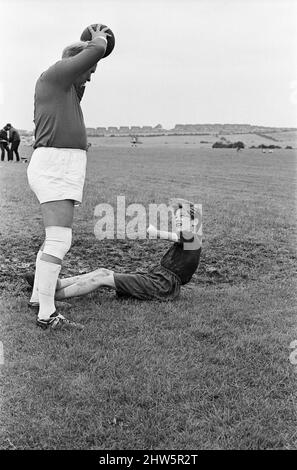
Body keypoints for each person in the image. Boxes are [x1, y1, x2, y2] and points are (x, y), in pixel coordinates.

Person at [26, 24, 112, 330]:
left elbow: (86, 70)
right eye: (89, 70)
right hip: (55, 165)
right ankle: (47, 315)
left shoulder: (67, 89)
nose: (90, 76)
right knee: (60, 240)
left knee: (55, 239)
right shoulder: (55, 75)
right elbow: (97, 48)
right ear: (75, 63)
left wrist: (93, 53)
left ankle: (40, 298)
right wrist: (98, 35)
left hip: (62, 165)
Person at [26, 200, 202, 310]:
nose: (178, 220)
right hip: (156, 279)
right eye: (177, 216)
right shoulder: (189, 239)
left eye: (183, 217)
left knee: (101, 279)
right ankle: (55, 284)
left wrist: (155, 232)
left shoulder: (193, 238)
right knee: (101, 271)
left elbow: (172, 236)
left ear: (194, 223)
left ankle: (50, 297)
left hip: (162, 286)